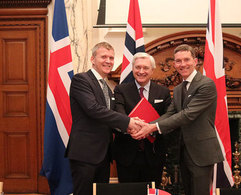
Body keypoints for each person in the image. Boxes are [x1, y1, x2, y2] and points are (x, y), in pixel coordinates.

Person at [131, 44, 224, 195]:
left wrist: (152, 128)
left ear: (195, 61)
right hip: (184, 150)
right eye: (178, 61)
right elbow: (171, 113)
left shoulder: (206, 84)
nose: (183, 64)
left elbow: (187, 114)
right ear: (174, 64)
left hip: (201, 152)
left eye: (186, 60)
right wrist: (147, 126)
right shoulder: (180, 88)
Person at [65, 42, 142, 195]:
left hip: (104, 155)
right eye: (104, 57)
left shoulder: (107, 87)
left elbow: (110, 119)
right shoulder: (81, 80)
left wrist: (130, 126)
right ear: (93, 59)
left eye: (111, 58)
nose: (108, 61)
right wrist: (128, 122)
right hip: (85, 154)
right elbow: (93, 109)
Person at [113, 52, 171, 185]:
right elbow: (119, 112)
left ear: (152, 70)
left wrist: (149, 129)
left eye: (145, 68)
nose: (141, 71)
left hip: (154, 155)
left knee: (151, 192)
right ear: (132, 68)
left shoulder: (163, 92)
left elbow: (168, 117)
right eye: (137, 67)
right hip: (126, 155)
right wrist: (131, 127)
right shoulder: (121, 90)